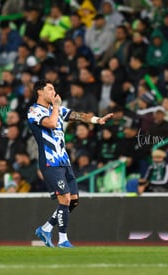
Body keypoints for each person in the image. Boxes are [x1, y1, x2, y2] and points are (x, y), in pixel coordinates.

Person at [27, 80, 113, 248]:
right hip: (50, 161)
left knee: (73, 200)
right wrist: (57, 106)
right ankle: (63, 239)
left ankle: (45, 229)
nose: (53, 91)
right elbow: (51, 124)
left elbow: (77, 115)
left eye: (54, 88)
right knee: (65, 198)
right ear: (39, 92)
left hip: (64, 160)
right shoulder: (34, 111)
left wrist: (97, 120)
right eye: (50, 89)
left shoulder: (56, 109)